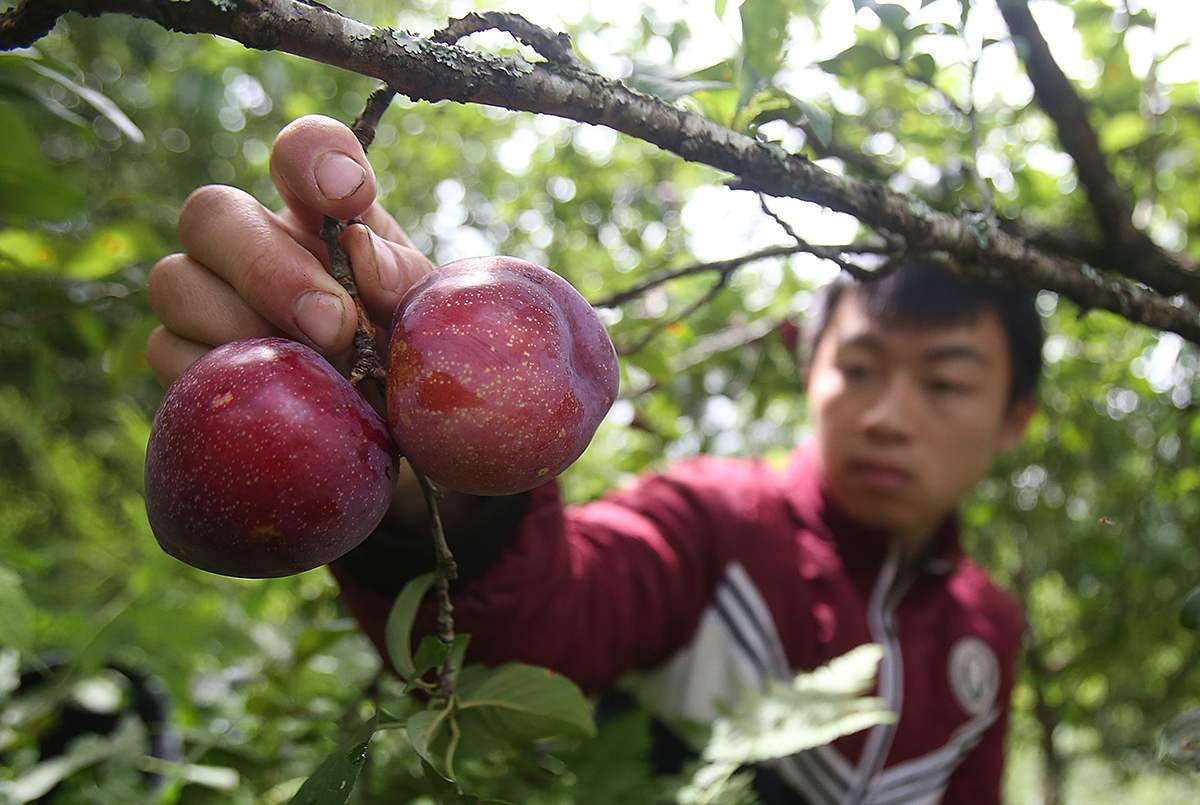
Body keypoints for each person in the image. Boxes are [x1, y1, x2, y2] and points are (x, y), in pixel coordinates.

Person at [146, 114, 1042, 804]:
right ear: (807, 367)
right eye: (859, 367)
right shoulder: (713, 527)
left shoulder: (987, 630)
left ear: (1015, 419)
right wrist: (436, 499)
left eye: (947, 383)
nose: (889, 415)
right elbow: (545, 627)